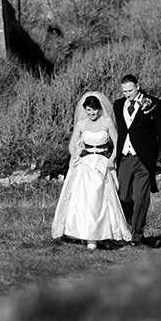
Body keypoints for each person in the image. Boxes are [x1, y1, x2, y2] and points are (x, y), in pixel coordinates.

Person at [52, 92, 132, 250]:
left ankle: (103, 234)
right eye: (88, 110)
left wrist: (111, 160)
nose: (91, 113)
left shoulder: (107, 122)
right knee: (85, 200)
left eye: (94, 110)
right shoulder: (81, 124)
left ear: (99, 109)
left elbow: (118, 144)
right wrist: (76, 156)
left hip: (102, 162)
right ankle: (88, 236)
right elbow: (72, 144)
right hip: (86, 163)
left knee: (100, 199)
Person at [114, 74, 161, 247]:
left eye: (130, 90)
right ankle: (133, 223)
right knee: (123, 196)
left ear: (138, 86)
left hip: (145, 158)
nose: (127, 94)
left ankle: (137, 236)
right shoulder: (118, 105)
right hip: (125, 156)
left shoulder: (154, 103)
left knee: (141, 197)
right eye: (124, 91)